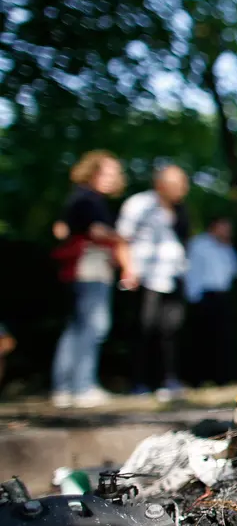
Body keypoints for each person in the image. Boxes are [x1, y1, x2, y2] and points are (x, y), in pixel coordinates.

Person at [50, 150, 134, 408]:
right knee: (92, 328)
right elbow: (98, 232)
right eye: (106, 173)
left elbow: (61, 230)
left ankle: (64, 389)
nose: (111, 178)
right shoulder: (89, 200)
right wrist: (121, 239)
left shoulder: (77, 198)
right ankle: (82, 386)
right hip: (90, 269)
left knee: (76, 328)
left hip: (78, 271)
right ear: (92, 172)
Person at [116, 165, 190, 401]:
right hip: (146, 276)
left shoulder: (180, 210)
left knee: (170, 330)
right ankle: (139, 381)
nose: (182, 189)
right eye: (177, 183)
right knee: (143, 329)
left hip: (173, 275)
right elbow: (122, 237)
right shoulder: (139, 204)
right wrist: (128, 268)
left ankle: (167, 380)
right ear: (161, 184)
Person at [183, 215, 237, 385]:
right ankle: (197, 378)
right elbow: (191, 272)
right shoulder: (199, 245)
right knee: (201, 339)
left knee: (222, 339)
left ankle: (221, 377)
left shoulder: (227, 247)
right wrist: (193, 297)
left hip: (222, 295)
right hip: (203, 296)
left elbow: (234, 271)